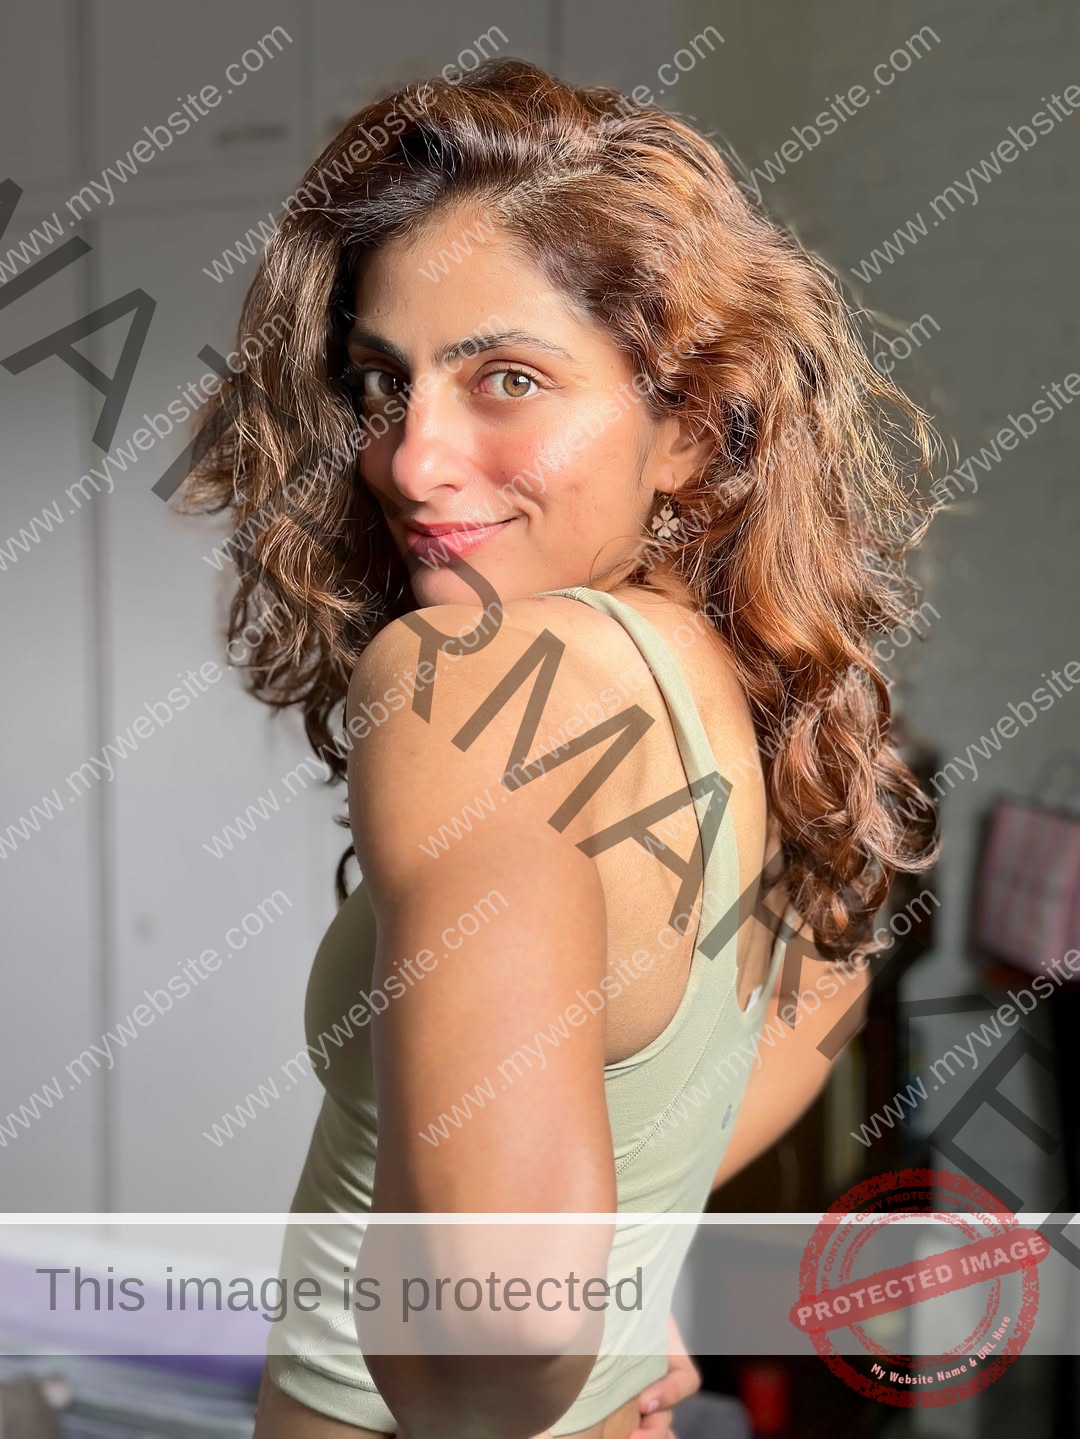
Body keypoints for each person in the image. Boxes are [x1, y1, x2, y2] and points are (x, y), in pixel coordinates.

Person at [179, 57, 940, 1439]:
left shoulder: (472, 676)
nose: (412, 461)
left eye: (508, 379)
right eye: (380, 383)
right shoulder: (747, 692)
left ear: (695, 434)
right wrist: (626, 1254)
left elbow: (499, 1320)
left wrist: (506, 1358)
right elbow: (810, 1020)